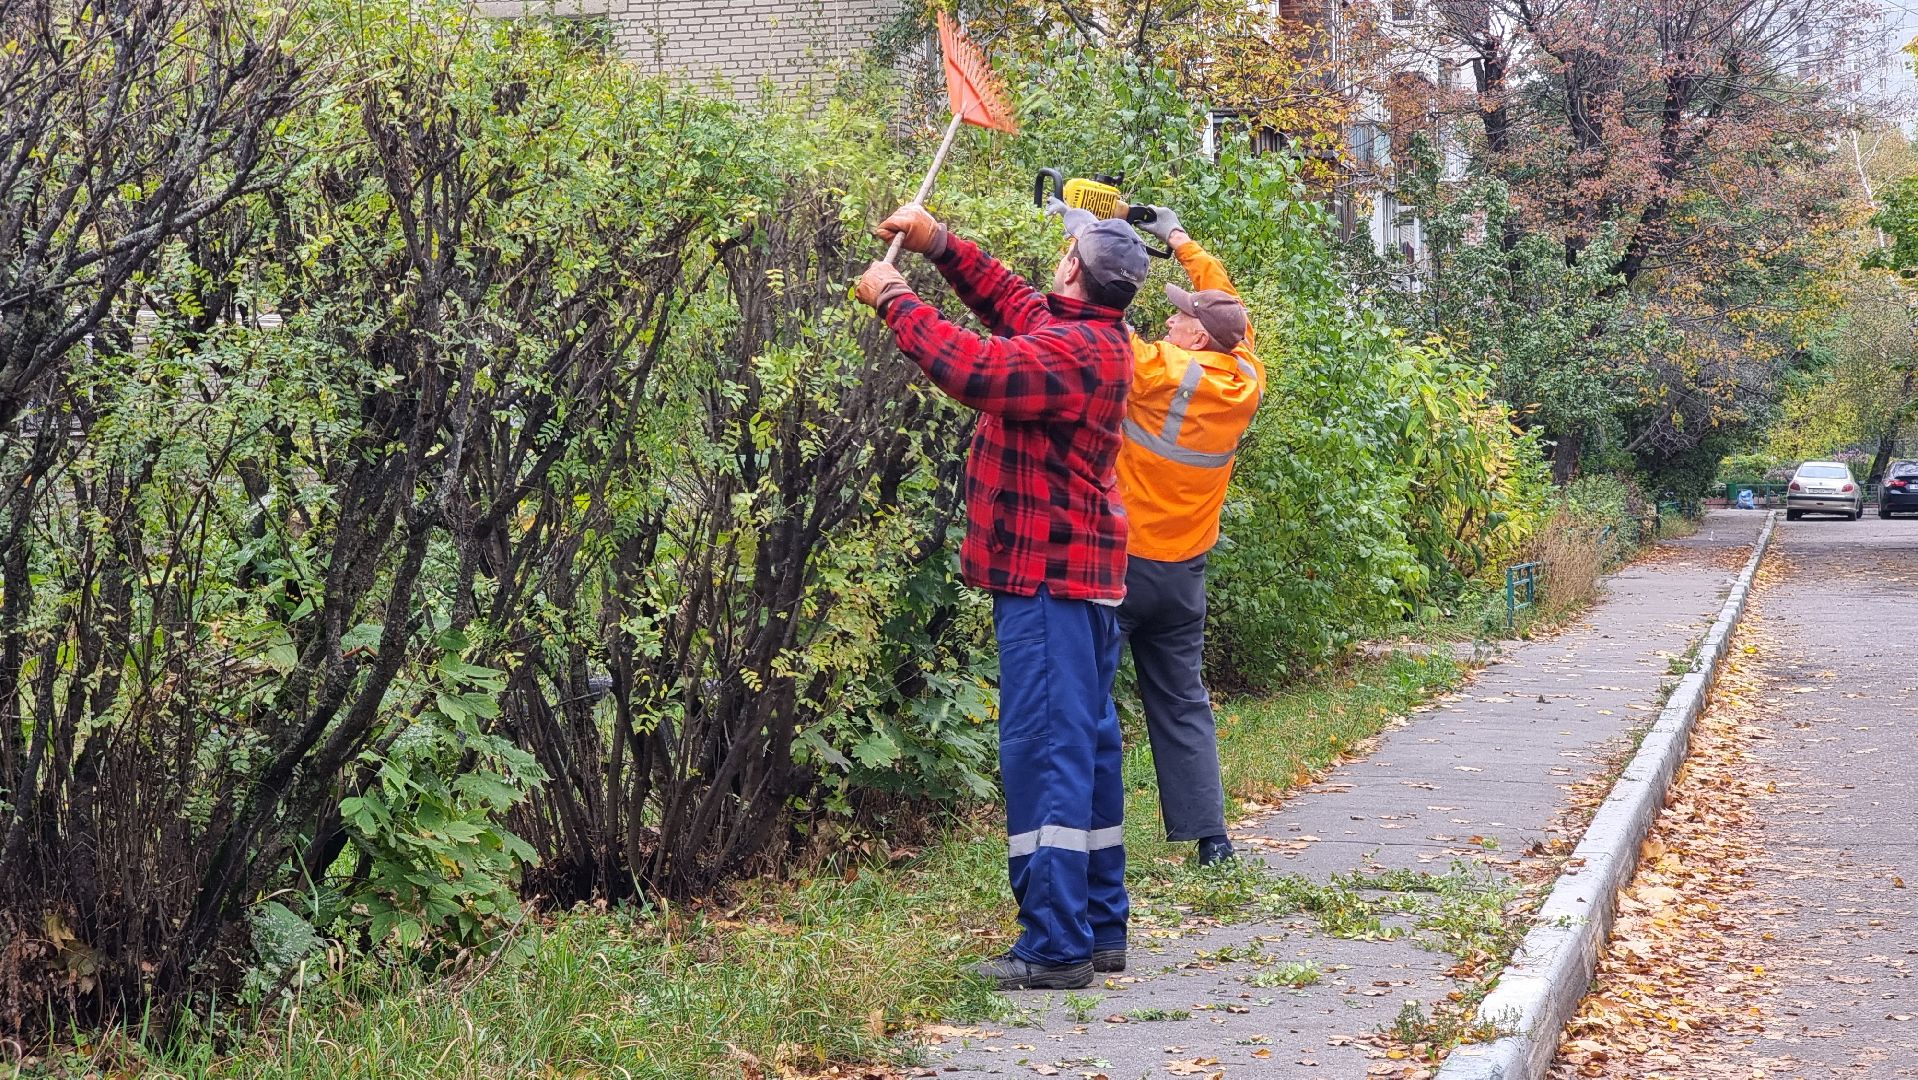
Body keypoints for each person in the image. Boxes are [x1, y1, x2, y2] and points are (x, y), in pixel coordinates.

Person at [854, 203, 1149, 991]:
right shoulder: (1090, 336)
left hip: (1047, 582)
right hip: (1078, 579)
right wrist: (941, 246)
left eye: (1063, 256)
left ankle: (1056, 947)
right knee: (1086, 753)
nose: (1053, 265)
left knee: (1046, 756)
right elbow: (1014, 307)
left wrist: (896, 298)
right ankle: (1099, 927)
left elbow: (976, 371)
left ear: (1074, 273)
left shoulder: (1073, 353)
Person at [1115, 205, 1265, 866]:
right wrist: (1176, 237)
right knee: (1182, 703)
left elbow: (1093, 325)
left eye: (1178, 315)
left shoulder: (1155, 372)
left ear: (1197, 337)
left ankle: (1094, 844)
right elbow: (1226, 300)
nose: (1168, 319)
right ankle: (1212, 840)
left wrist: (1091, 239)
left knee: (1087, 703)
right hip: (1182, 578)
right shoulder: (1246, 376)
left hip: (1117, 570)